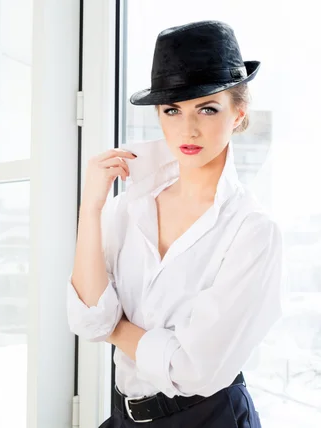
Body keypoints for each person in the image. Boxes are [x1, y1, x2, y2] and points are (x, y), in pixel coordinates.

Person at [67, 20, 282, 427]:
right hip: (124, 416)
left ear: (238, 113)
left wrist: (112, 326)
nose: (188, 128)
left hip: (210, 417)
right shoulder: (128, 208)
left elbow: (193, 370)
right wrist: (90, 207)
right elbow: (85, 319)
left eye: (207, 108)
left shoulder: (252, 230)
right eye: (172, 110)